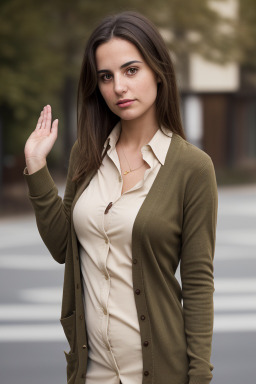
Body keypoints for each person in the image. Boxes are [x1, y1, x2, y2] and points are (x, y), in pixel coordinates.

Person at [24, 11, 218, 384]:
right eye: (106, 76)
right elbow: (64, 247)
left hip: (161, 372)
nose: (119, 87)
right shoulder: (87, 152)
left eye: (131, 70)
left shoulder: (193, 168)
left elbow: (197, 283)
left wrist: (200, 376)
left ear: (158, 71)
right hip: (91, 372)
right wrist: (35, 165)